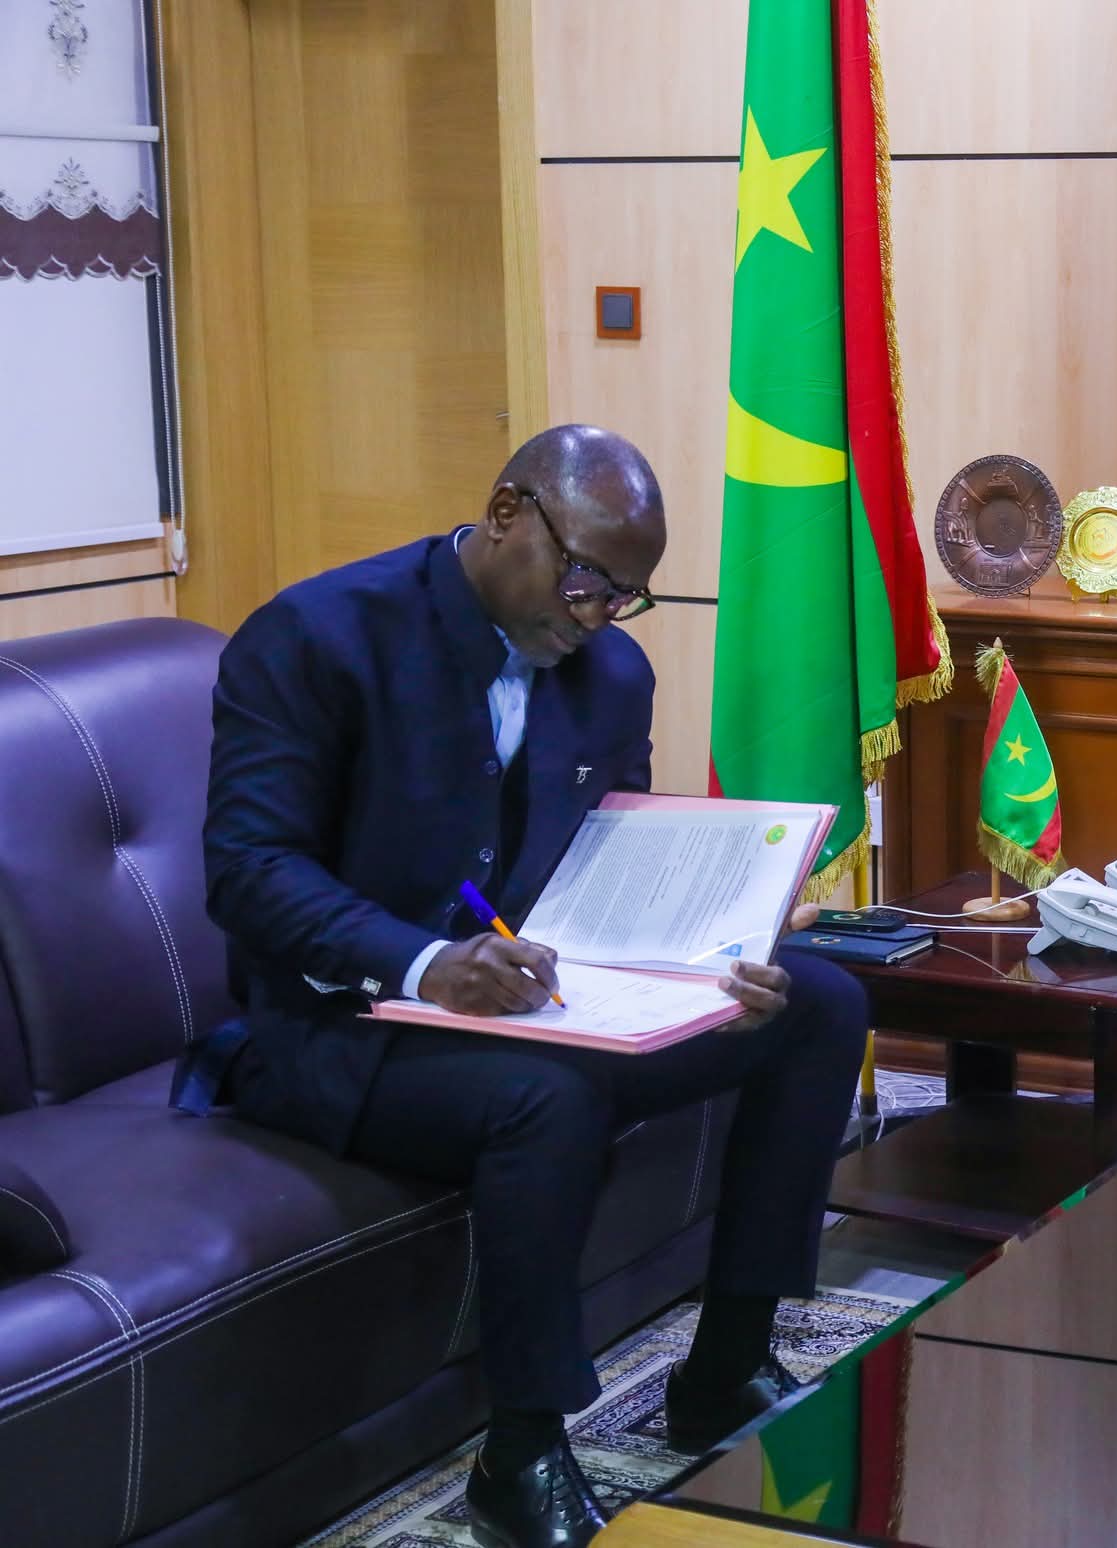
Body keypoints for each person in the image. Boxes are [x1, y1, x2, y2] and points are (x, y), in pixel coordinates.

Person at [193, 425, 868, 1548]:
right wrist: (426, 965)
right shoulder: (317, 636)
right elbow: (249, 871)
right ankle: (522, 1454)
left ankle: (727, 1364)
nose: (597, 615)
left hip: (539, 1007)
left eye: (625, 596)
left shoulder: (611, 672)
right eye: (586, 579)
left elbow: (613, 878)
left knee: (820, 1004)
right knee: (547, 1101)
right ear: (508, 513)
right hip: (340, 1028)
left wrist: (712, 958)